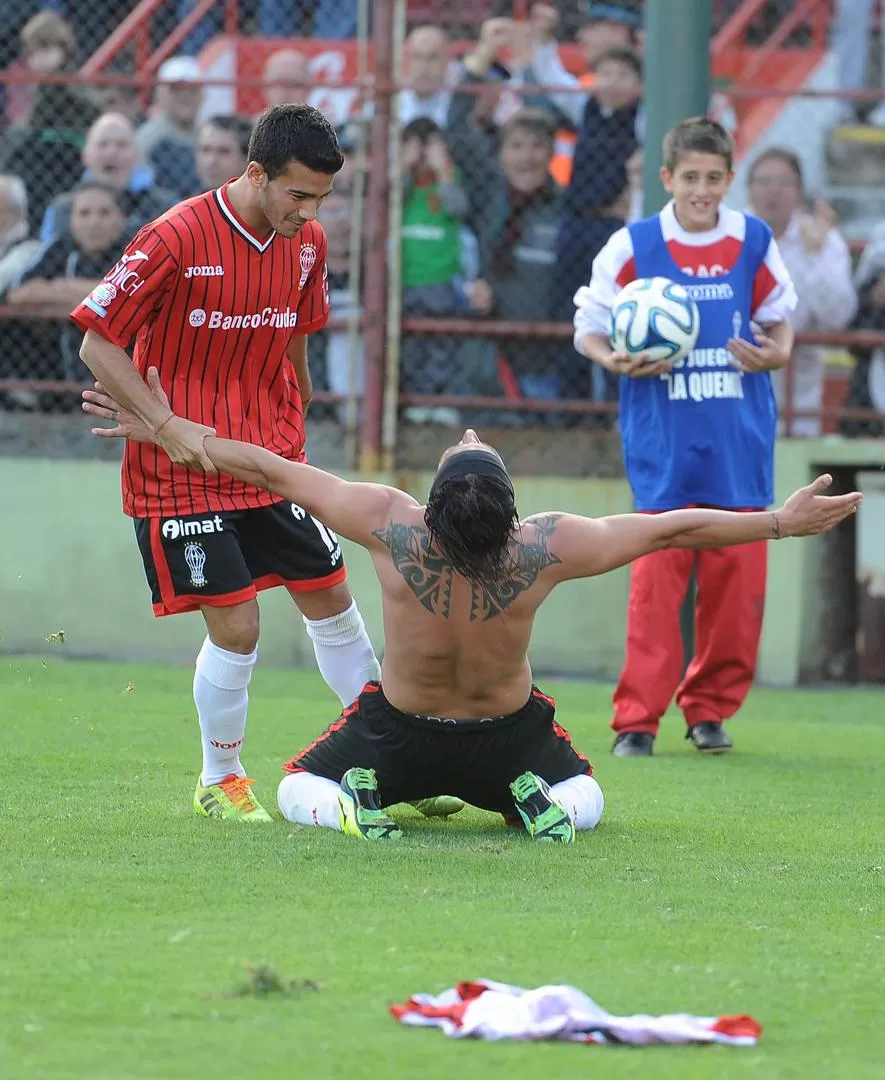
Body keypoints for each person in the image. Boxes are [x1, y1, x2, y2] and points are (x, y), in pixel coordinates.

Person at [81, 381, 861, 842]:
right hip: (506, 739)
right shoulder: (543, 546)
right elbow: (672, 527)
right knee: (587, 797)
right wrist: (777, 523)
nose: (468, 431)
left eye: (463, 445)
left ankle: (352, 808)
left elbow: (268, 469)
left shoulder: (391, 524)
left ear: (436, 498)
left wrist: (161, 423)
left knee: (292, 791)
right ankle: (535, 806)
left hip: (397, 734)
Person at [69, 104, 382, 823]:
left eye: (321, 199)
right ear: (254, 174)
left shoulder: (307, 244)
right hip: (181, 469)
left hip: (272, 457)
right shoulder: (175, 236)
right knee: (238, 629)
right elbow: (96, 342)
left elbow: (299, 331)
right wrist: (162, 423)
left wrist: (299, 398)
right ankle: (221, 776)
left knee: (333, 599)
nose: (308, 212)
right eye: (296, 195)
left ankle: (383, 754)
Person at [574, 116, 797, 757]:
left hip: (738, 443)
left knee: (736, 590)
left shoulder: (754, 240)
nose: (702, 190)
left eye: (714, 178)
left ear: (729, 179)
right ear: (668, 178)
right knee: (654, 589)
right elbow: (588, 322)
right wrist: (611, 358)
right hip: (663, 447)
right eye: (690, 178)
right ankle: (637, 722)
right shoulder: (634, 246)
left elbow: (781, 323)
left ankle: (709, 711)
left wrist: (773, 357)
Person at [746, 148, 857, 437]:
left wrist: (811, 258)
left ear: (799, 192)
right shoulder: (730, 236)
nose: (774, 191)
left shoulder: (822, 240)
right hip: (737, 392)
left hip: (799, 404)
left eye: (785, 182)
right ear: (748, 188)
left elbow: (838, 315)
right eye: (765, 181)